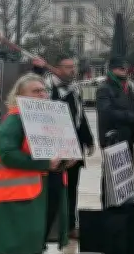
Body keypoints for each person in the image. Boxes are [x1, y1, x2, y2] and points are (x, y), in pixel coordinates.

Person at [0, 73, 75, 254]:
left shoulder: (46, 117)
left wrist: (68, 158)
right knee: (22, 249)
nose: (43, 94)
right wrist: (45, 163)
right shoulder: (15, 120)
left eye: (44, 90)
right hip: (22, 196)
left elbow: (56, 150)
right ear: (20, 96)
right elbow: (8, 155)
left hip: (44, 190)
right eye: (36, 91)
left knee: (35, 246)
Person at [32, 55, 95, 240]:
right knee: (52, 188)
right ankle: (46, 228)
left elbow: (80, 117)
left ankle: (70, 226)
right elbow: (29, 88)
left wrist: (88, 140)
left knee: (72, 188)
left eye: (73, 67)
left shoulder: (75, 90)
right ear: (57, 68)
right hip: (51, 148)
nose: (72, 70)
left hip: (72, 148)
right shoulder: (45, 88)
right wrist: (37, 69)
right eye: (68, 67)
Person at [96, 57, 134, 208]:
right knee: (111, 178)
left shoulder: (130, 88)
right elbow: (107, 112)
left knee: (126, 177)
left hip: (129, 137)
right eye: (120, 68)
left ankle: (125, 208)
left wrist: (132, 119)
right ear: (112, 70)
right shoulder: (105, 88)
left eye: (125, 68)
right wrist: (131, 117)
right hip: (113, 139)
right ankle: (109, 209)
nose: (124, 71)